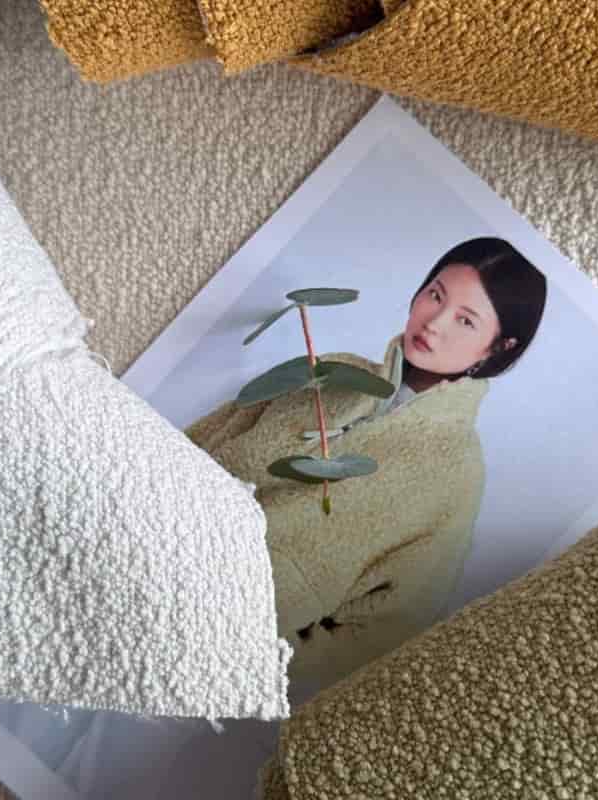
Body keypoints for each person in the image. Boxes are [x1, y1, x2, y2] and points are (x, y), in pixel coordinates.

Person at [185, 237, 547, 690]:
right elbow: (198, 443)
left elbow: (385, 629)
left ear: (497, 348)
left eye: (466, 320)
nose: (435, 322)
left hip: (215, 648)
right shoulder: (328, 370)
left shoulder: (456, 473)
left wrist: (259, 658)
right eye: (436, 295)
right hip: (149, 547)